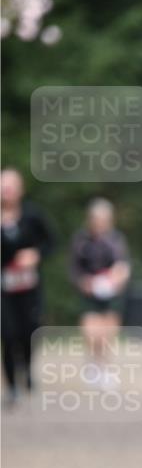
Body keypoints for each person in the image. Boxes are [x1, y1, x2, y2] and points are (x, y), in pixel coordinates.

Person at [1, 167, 56, 406]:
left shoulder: (33, 216)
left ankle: (27, 368)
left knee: (29, 332)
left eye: (11, 185)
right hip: (4, 288)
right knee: (7, 334)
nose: (7, 190)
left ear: (20, 190)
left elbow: (51, 242)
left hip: (29, 287)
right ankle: (12, 386)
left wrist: (36, 255)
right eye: (3, 186)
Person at [69, 199, 131, 387]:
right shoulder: (81, 240)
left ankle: (105, 367)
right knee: (91, 332)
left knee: (107, 333)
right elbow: (74, 268)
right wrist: (83, 282)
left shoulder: (116, 240)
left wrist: (118, 277)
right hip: (90, 292)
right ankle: (93, 364)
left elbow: (123, 265)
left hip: (111, 292)